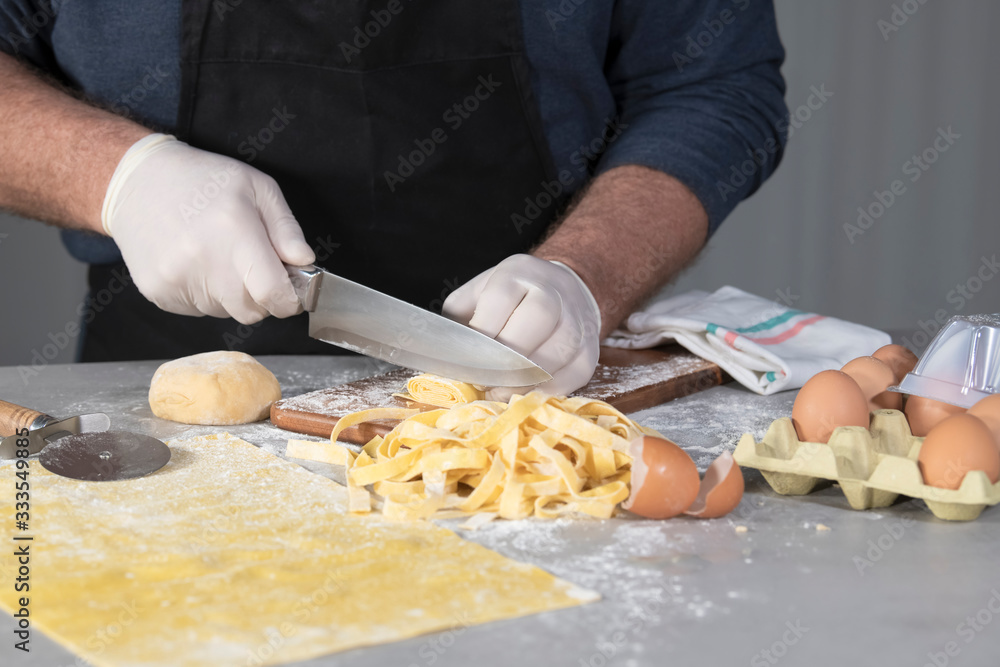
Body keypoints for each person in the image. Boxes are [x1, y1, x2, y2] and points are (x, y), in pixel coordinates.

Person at [0, 0, 788, 396]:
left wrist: (587, 277)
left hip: (525, 400)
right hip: (165, 403)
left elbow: (713, 82)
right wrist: (120, 177)